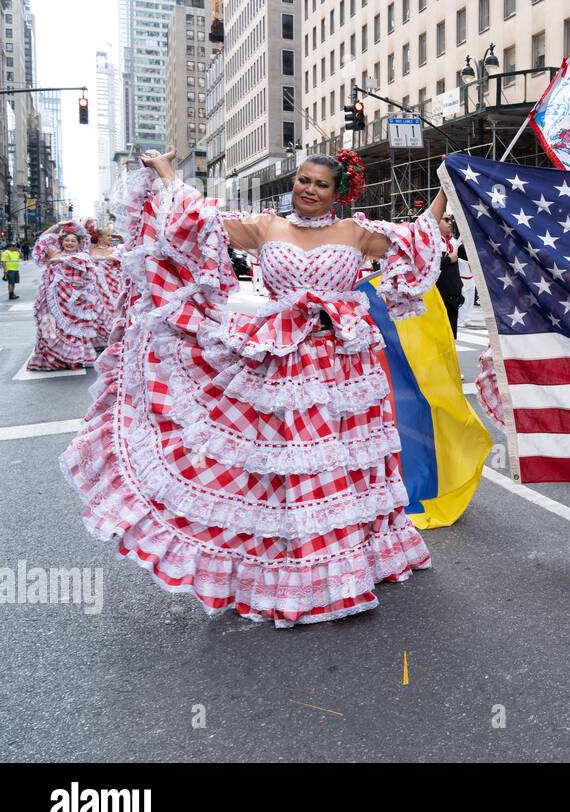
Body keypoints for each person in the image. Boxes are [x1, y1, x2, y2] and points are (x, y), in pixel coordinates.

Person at [59, 145, 448, 627]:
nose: (307, 189)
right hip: (282, 359)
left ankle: (355, 560)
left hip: (343, 363)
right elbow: (193, 224)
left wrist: (447, 189)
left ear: (338, 193)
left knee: (343, 462)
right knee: (292, 463)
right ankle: (303, 563)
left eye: (320, 184)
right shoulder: (265, 227)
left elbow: (419, 239)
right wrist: (165, 173)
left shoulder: (358, 233)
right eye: (303, 179)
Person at [28, 221, 102, 371]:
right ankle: (54, 359)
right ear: (62, 241)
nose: (69, 243)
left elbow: (85, 265)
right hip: (54, 301)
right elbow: (42, 239)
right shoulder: (55, 253)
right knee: (53, 327)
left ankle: (73, 359)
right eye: (67, 240)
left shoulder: (82, 256)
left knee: (74, 330)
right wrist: (58, 225)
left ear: (79, 243)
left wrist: (77, 226)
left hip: (74, 303)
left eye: (73, 240)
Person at [435, 207, 467, 337]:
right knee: (439, 338)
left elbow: (468, 256)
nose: (450, 222)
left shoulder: (453, 242)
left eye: (451, 220)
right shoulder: (431, 242)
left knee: (450, 338)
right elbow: (429, 268)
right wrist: (448, 259)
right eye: (446, 219)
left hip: (453, 299)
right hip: (438, 299)